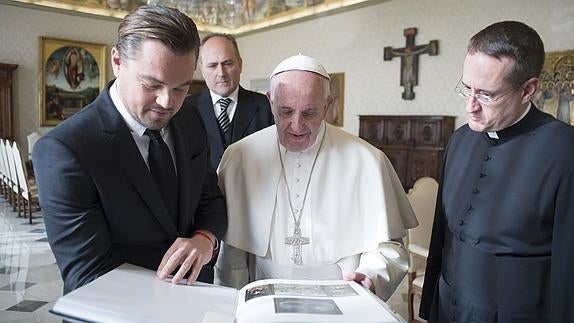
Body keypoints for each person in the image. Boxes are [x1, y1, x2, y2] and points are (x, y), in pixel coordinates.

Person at [32, 5, 227, 294]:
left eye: (180, 88)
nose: (167, 102)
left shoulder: (189, 119)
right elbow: (89, 279)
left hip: (196, 296)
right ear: (117, 61)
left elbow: (210, 198)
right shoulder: (66, 150)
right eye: (152, 84)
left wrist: (204, 238)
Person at [215, 54, 418, 300]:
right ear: (270, 101)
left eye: (309, 113)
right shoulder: (240, 157)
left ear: (327, 105)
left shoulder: (367, 160)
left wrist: (371, 277)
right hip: (263, 299)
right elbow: (233, 251)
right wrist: (232, 303)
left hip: (342, 298)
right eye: (286, 111)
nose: (297, 125)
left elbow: (390, 248)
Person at [420, 21, 574, 322]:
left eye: (487, 95)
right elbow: (443, 236)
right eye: (466, 89)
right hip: (447, 307)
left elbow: (570, 269)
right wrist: (429, 309)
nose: (470, 107)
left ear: (528, 89)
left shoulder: (565, 150)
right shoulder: (460, 139)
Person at [185, 33, 274, 170]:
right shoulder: (186, 109)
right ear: (202, 70)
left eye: (227, 63)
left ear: (240, 64)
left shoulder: (264, 105)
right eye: (212, 66)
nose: (221, 73)